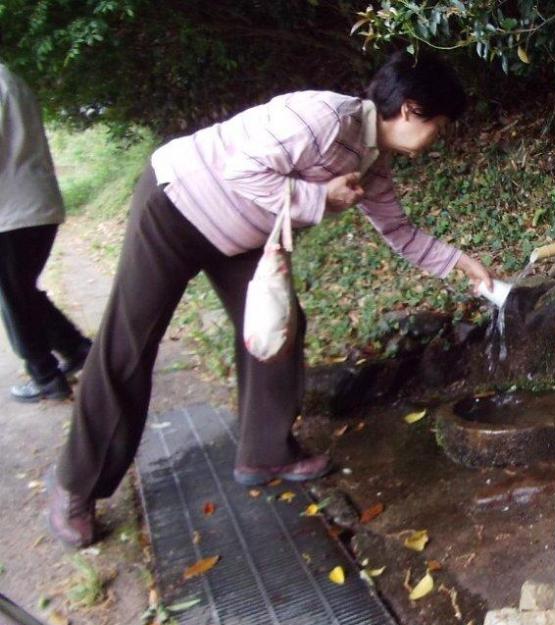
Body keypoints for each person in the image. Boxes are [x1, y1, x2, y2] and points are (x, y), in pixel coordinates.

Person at [47, 52, 495, 548]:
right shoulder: (322, 118)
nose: (439, 137)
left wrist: (461, 263)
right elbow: (243, 171)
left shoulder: (375, 163)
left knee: (281, 327)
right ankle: (76, 486)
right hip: (177, 205)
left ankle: (264, 451)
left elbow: (400, 232)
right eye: (440, 124)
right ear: (411, 108)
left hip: (239, 238)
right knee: (128, 344)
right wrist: (320, 198)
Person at [0, 61, 92, 402]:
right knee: (22, 292)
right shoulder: (10, 77)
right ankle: (77, 349)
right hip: (29, 205)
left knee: (13, 298)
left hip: (12, 212)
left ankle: (44, 377)